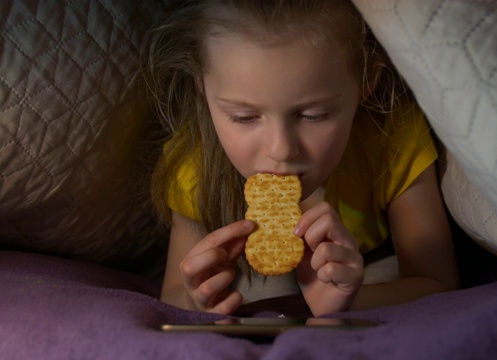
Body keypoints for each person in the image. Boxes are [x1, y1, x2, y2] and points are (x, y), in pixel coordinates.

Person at [143, 0, 459, 317]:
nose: (280, 150)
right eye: (243, 117)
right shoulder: (195, 164)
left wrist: (348, 299)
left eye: (313, 115)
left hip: (368, 271)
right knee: (257, 290)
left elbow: (436, 282)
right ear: (201, 84)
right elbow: (173, 292)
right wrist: (193, 300)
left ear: (366, 81)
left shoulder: (395, 139)